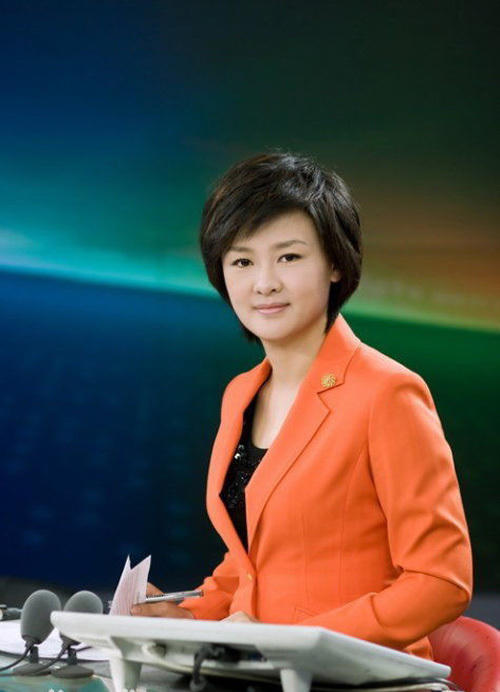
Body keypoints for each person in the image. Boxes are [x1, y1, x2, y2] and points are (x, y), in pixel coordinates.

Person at [131, 151, 473, 660]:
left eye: (288, 257)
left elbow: (440, 581)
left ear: (335, 263)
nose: (264, 282)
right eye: (242, 261)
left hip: (356, 676)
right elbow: (252, 565)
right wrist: (189, 615)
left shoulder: (388, 392)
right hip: (258, 672)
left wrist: (288, 645)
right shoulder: (241, 393)